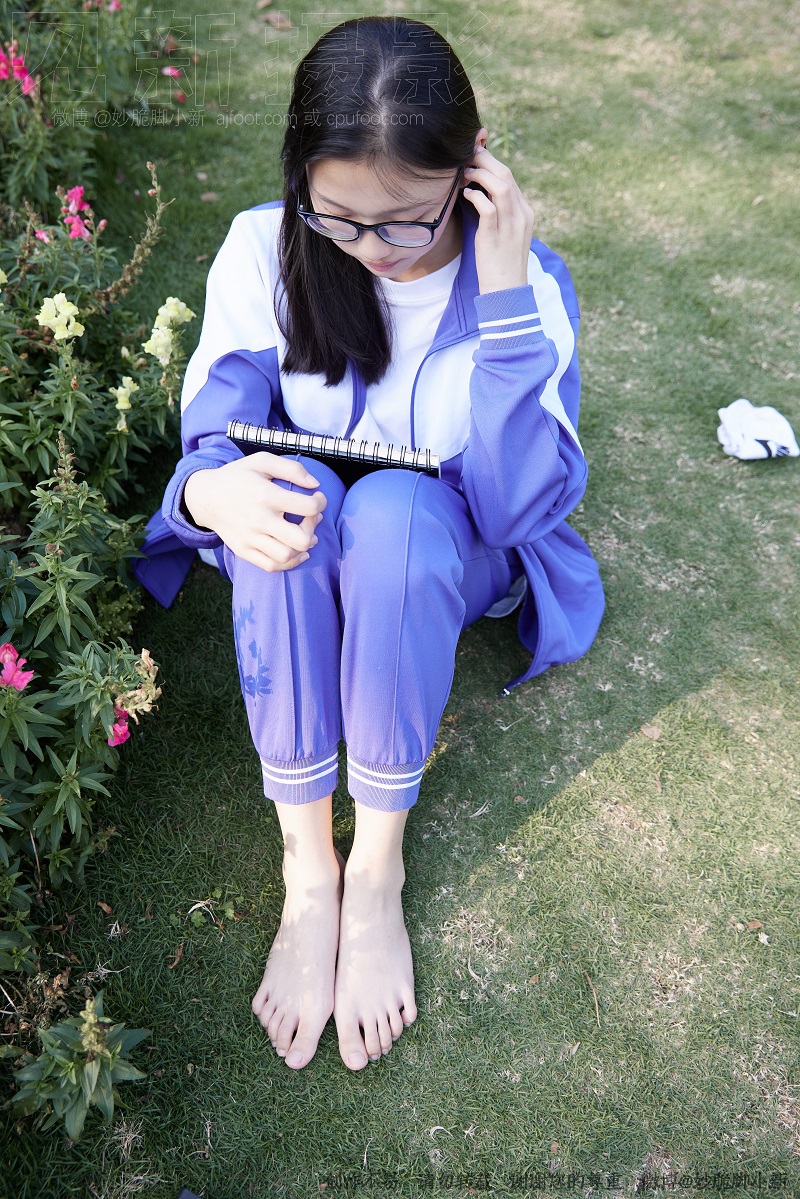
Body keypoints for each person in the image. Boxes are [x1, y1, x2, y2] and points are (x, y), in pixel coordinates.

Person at [135, 14, 605, 1073]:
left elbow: (516, 508)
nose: (374, 253)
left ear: (472, 167)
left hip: (440, 547)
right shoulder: (265, 248)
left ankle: (376, 867)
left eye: (406, 221)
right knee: (283, 492)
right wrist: (211, 490)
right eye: (339, 217)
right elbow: (213, 436)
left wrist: (502, 299)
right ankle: (309, 869)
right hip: (301, 541)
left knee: (393, 514)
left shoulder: (525, 288)